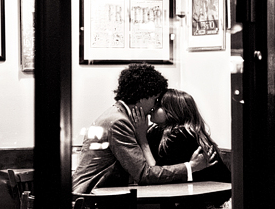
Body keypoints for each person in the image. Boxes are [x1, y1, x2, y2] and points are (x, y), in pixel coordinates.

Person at [72, 63, 212, 194]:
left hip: (96, 197)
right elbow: (144, 174)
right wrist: (191, 166)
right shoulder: (119, 122)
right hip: (92, 200)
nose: (154, 106)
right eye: (155, 99)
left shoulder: (116, 116)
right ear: (142, 97)